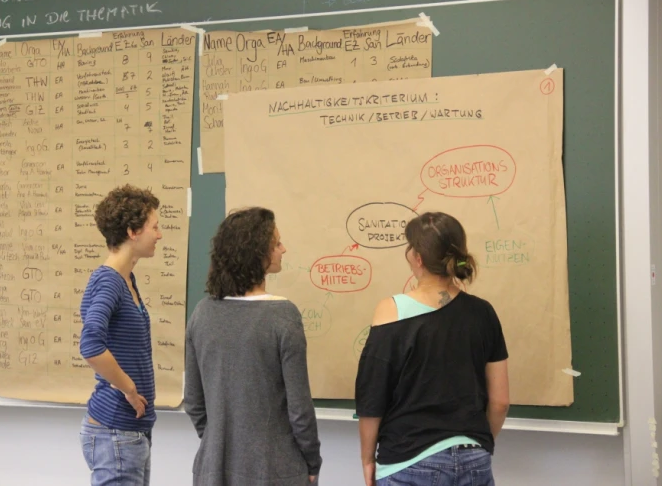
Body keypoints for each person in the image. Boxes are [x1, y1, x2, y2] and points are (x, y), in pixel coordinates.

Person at [355, 211, 510, 486]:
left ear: (418, 257)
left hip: (409, 461)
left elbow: (372, 399)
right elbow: (500, 402)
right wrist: (479, 445)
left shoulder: (390, 311)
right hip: (474, 457)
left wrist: (368, 459)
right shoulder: (483, 313)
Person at [184, 207, 323, 486]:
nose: (284, 249)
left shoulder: (202, 313)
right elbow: (299, 410)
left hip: (215, 467)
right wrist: (312, 460)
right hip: (276, 469)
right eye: (276, 244)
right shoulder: (283, 316)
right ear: (257, 253)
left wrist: (218, 440)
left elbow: (194, 402)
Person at [78, 184, 163, 486]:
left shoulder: (127, 279)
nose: (160, 234)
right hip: (115, 433)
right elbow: (90, 345)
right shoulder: (109, 282)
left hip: (129, 432)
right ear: (132, 232)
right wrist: (128, 388)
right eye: (155, 227)